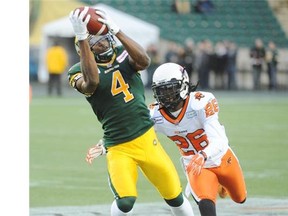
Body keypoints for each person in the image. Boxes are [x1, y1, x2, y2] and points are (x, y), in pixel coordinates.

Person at [68, 7, 194, 216]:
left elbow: (144, 61)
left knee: (175, 197)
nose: (103, 43)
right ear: (84, 49)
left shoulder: (121, 52)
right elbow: (91, 84)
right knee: (125, 202)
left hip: (146, 140)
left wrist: (117, 30)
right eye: (96, 42)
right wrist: (83, 37)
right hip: (119, 146)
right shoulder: (77, 71)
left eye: (104, 38)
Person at [149, 62, 247, 216]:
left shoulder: (200, 103)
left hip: (219, 157)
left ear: (183, 85)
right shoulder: (154, 114)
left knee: (240, 198)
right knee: (206, 206)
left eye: (170, 88)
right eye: (161, 90)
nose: (166, 94)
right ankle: (211, 184)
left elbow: (219, 140)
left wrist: (203, 155)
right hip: (194, 165)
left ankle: (221, 185)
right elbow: (132, 133)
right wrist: (106, 143)